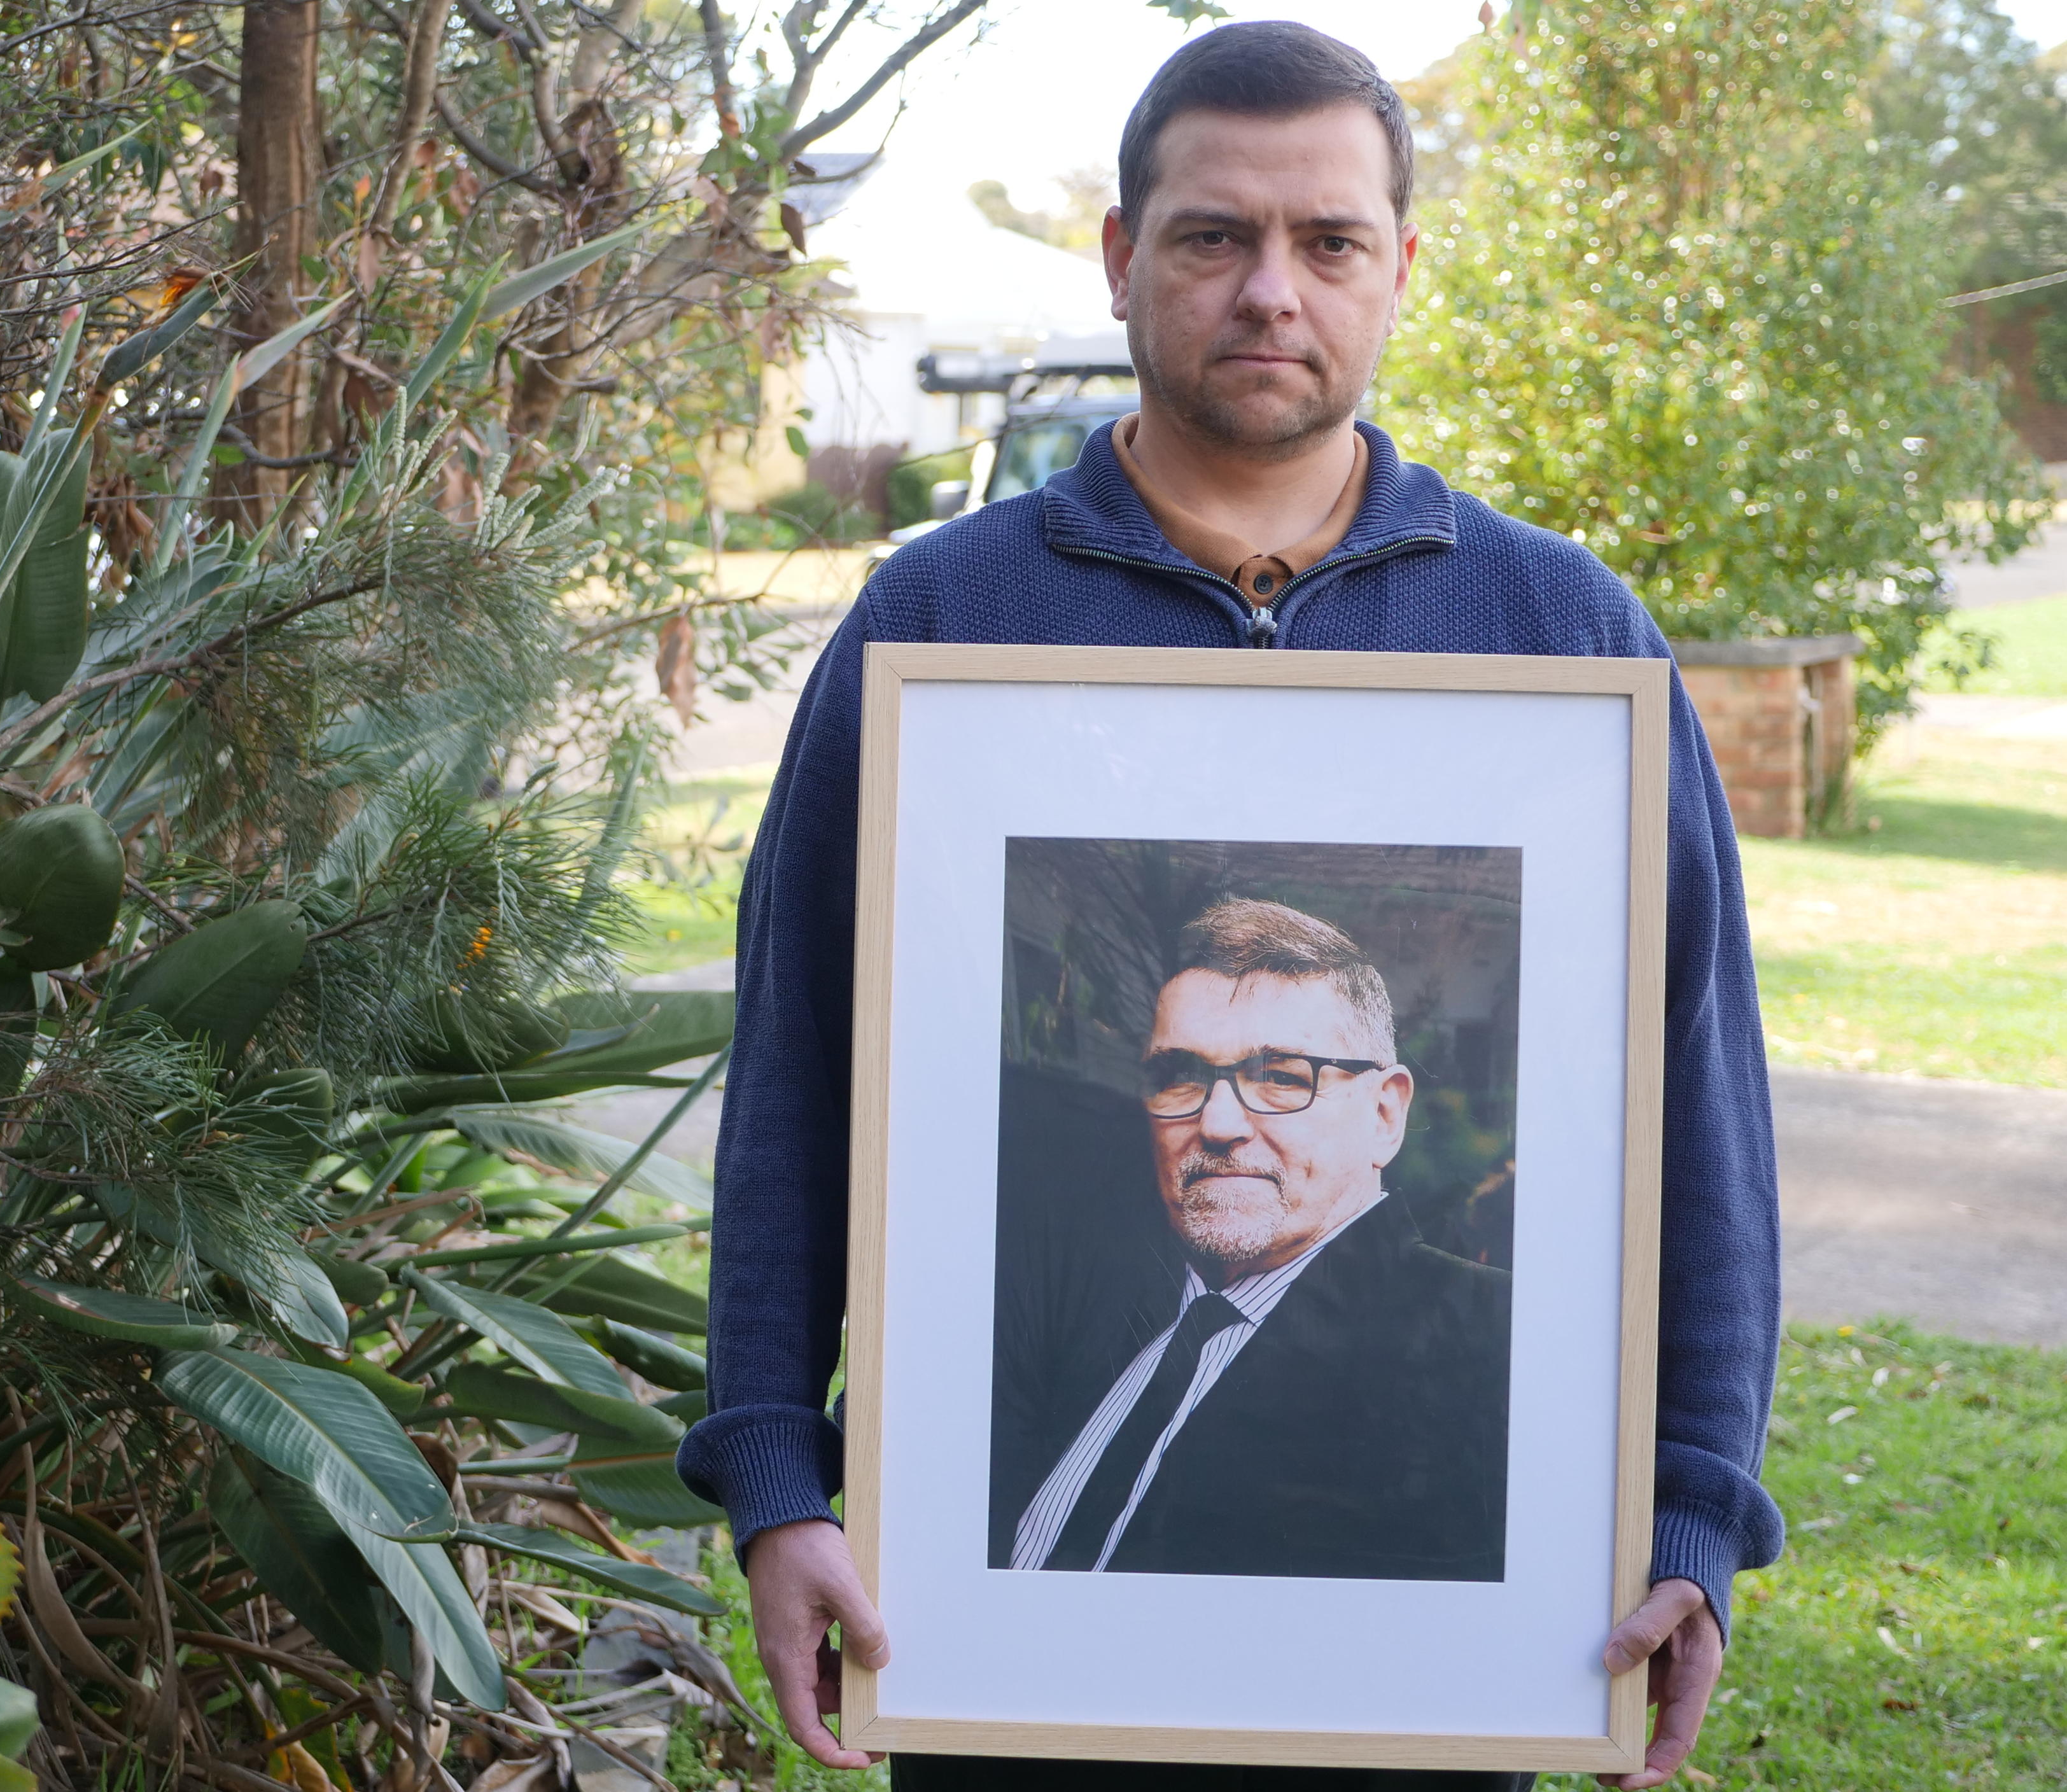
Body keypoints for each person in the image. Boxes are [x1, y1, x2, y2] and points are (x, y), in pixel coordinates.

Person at [677, 21, 1783, 1792]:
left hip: (1448, 1671)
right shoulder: (942, 627)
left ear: (1402, 271)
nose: (1274, 288)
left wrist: (1695, 1507)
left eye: (1330, 242)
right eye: (1213, 236)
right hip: (990, 1671)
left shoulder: (1563, 641)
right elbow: (805, 1073)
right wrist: (774, 1471)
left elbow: (1694, 1113)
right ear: (1122, 259)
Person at [998, 897, 1510, 1585]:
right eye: (1180, 1074)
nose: (1216, 1122)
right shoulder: (1090, 1297)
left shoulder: (1486, 1341)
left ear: (1384, 1114)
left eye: (1279, 1076)